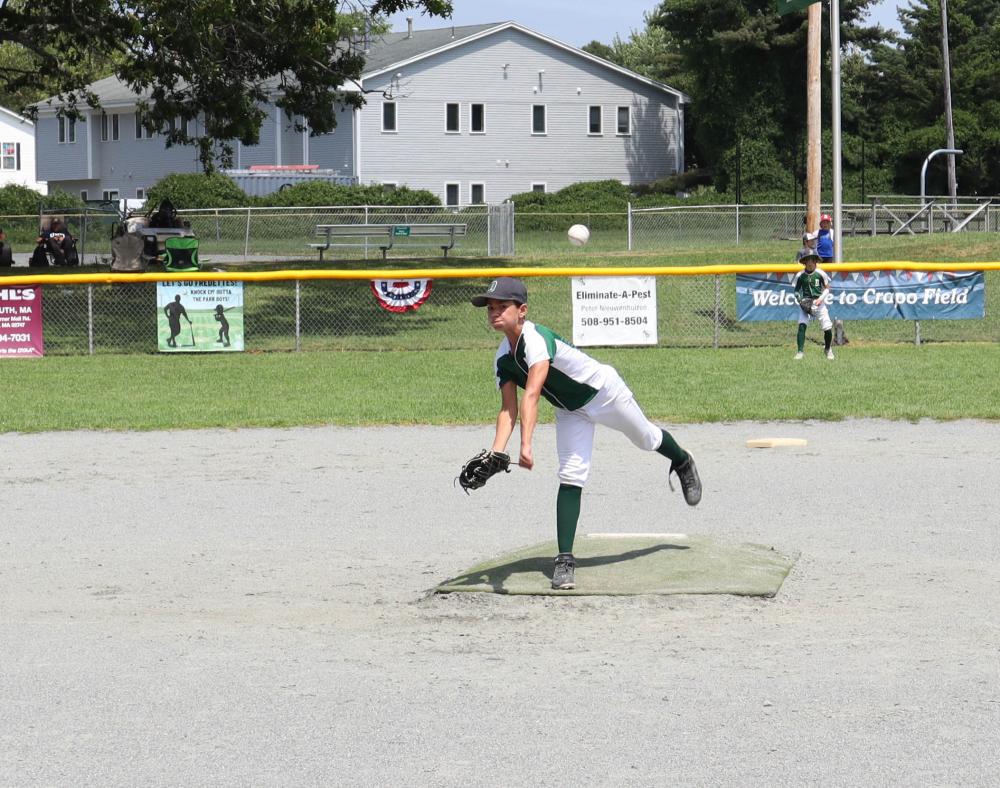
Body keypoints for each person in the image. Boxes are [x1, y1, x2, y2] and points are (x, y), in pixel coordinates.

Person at [467, 276, 702, 590]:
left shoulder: (536, 339)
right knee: (571, 474)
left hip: (604, 393)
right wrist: (497, 451)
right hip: (570, 410)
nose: (494, 312)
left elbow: (532, 394)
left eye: (502, 306)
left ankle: (682, 460)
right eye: (490, 308)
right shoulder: (502, 358)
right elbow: (508, 409)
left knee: (646, 438)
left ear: (522, 310)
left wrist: (526, 444)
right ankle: (565, 560)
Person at [792, 249, 835, 360]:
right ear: (804, 262)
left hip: (818, 302)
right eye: (807, 260)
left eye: (812, 259)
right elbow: (796, 290)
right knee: (802, 325)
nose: (810, 262)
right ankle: (800, 352)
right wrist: (800, 300)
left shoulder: (821, 273)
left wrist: (820, 299)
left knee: (827, 327)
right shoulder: (800, 275)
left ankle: (828, 348)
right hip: (806, 302)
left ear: (816, 261)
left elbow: (827, 289)